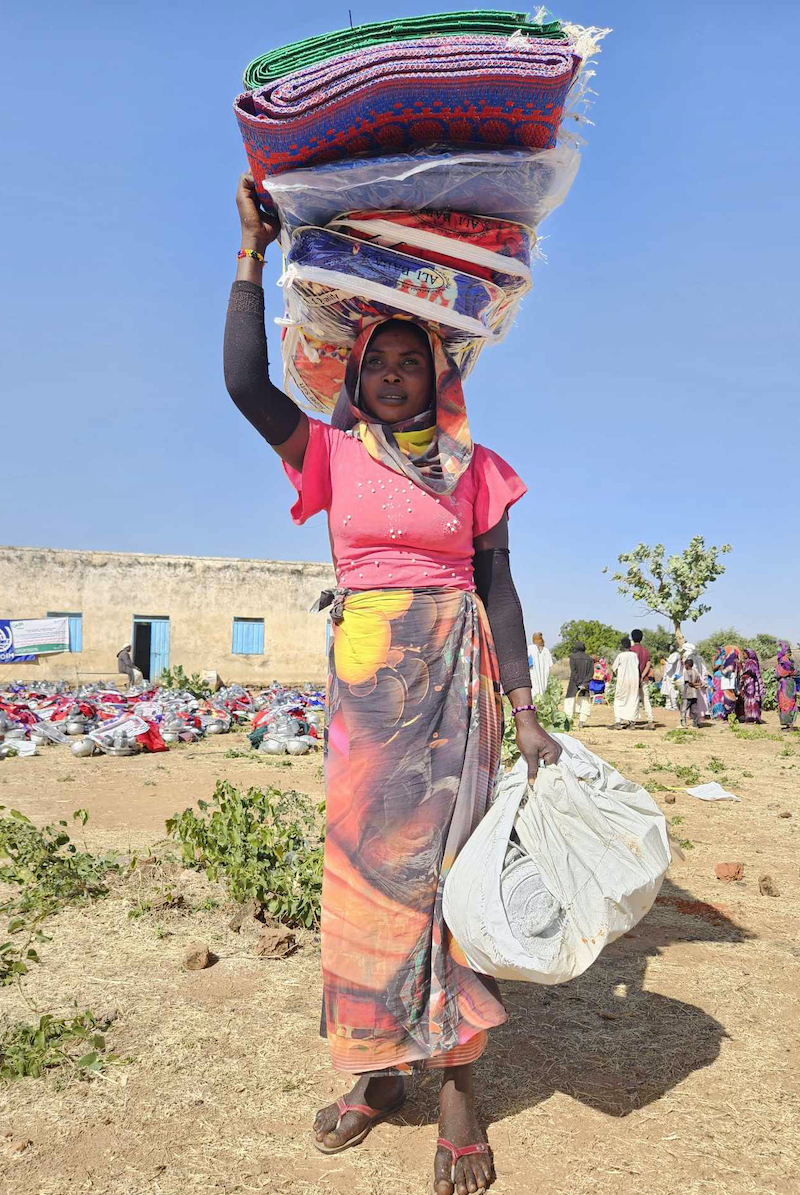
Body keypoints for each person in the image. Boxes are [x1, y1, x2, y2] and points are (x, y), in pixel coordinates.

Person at [225, 173, 562, 1195]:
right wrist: (248, 254)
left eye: (412, 362)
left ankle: (457, 1087)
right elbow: (245, 384)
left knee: (454, 877)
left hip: (458, 682)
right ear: (356, 377)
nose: (393, 378)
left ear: (439, 374)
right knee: (365, 883)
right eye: (378, 364)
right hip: (371, 698)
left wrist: (525, 709)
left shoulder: (476, 470)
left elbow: (499, 589)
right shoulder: (327, 456)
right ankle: (376, 1073)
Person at [611, 636, 640, 729]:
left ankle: (618, 722)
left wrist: (617, 675)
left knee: (619, 699)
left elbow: (614, 668)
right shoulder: (634, 655)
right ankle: (632, 723)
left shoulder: (620, 656)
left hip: (623, 681)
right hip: (634, 681)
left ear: (622, 646)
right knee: (633, 699)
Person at [564, 640, 594, 728]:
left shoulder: (573, 657)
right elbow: (591, 673)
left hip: (574, 685)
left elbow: (574, 672)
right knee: (584, 703)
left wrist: (578, 683)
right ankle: (582, 722)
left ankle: (568, 721)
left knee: (570, 703)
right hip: (585, 685)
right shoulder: (589, 659)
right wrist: (584, 684)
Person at [630, 629, 655, 729]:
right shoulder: (646, 651)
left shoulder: (631, 650)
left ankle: (632, 721)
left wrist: (637, 677)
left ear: (632, 637)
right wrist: (642, 676)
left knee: (633, 699)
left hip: (633, 679)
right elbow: (648, 665)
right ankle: (650, 720)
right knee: (646, 699)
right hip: (643, 679)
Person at [776, 641, 798, 731]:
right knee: (788, 702)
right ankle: (789, 724)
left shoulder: (784, 660)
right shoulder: (788, 659)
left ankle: (789, 725)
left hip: (786, 685)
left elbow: (780, 673)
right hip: (788, 684)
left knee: (787, 703)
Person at [739, 649, 764, 723]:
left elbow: (752, 672)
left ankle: (752, 717)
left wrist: (744, 676)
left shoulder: (751, 662)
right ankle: (751, 717)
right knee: (749, 699)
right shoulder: (748, 662)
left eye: (745, 654)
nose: (744, 655)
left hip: (751, 683)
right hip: (748, 683)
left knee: (751, 699)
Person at [719, 644, 743, 720]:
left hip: (728, 683)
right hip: (729, 683)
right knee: (730, 697)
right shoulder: (731, 660)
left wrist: (722, 669)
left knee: (729, 698)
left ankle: (729, 716)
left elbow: (726, 671)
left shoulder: (730, 661)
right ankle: (730, 715)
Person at [528, 631, 553, 698]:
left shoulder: (530, 648)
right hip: (544, 675)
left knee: (534, 692)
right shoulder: (546, 650)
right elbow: (550, 664)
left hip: (533, 673)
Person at [680, 658, 704, 728]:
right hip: (694, 694)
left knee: (683, 709)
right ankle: (695, 724)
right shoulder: (696, 673)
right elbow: (700, 683)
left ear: (687, 665)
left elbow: (689, 683)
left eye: (685, 665)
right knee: (694, 710)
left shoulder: (686, 672)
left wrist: (694, 684)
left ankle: (683, 724)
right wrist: (697, 685)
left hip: (687, 694)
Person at [661, 644, 682, 712]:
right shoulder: (673, 654)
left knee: (673, 692)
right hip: (670, 676)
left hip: (673, 676)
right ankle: (669, 705)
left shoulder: (676, 654)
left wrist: (665, 660)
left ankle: (675, 706)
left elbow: (670, 662)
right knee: (668, 691)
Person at [710, 646, 726, 719]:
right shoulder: (717, 658)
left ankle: (720, 714)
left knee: (720, 696)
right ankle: (717, 713)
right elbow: (713, 668)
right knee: (717, 695)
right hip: (717, 679)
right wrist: (718, 664)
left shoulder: (723, 659)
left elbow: (715, 668)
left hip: (722, 679)